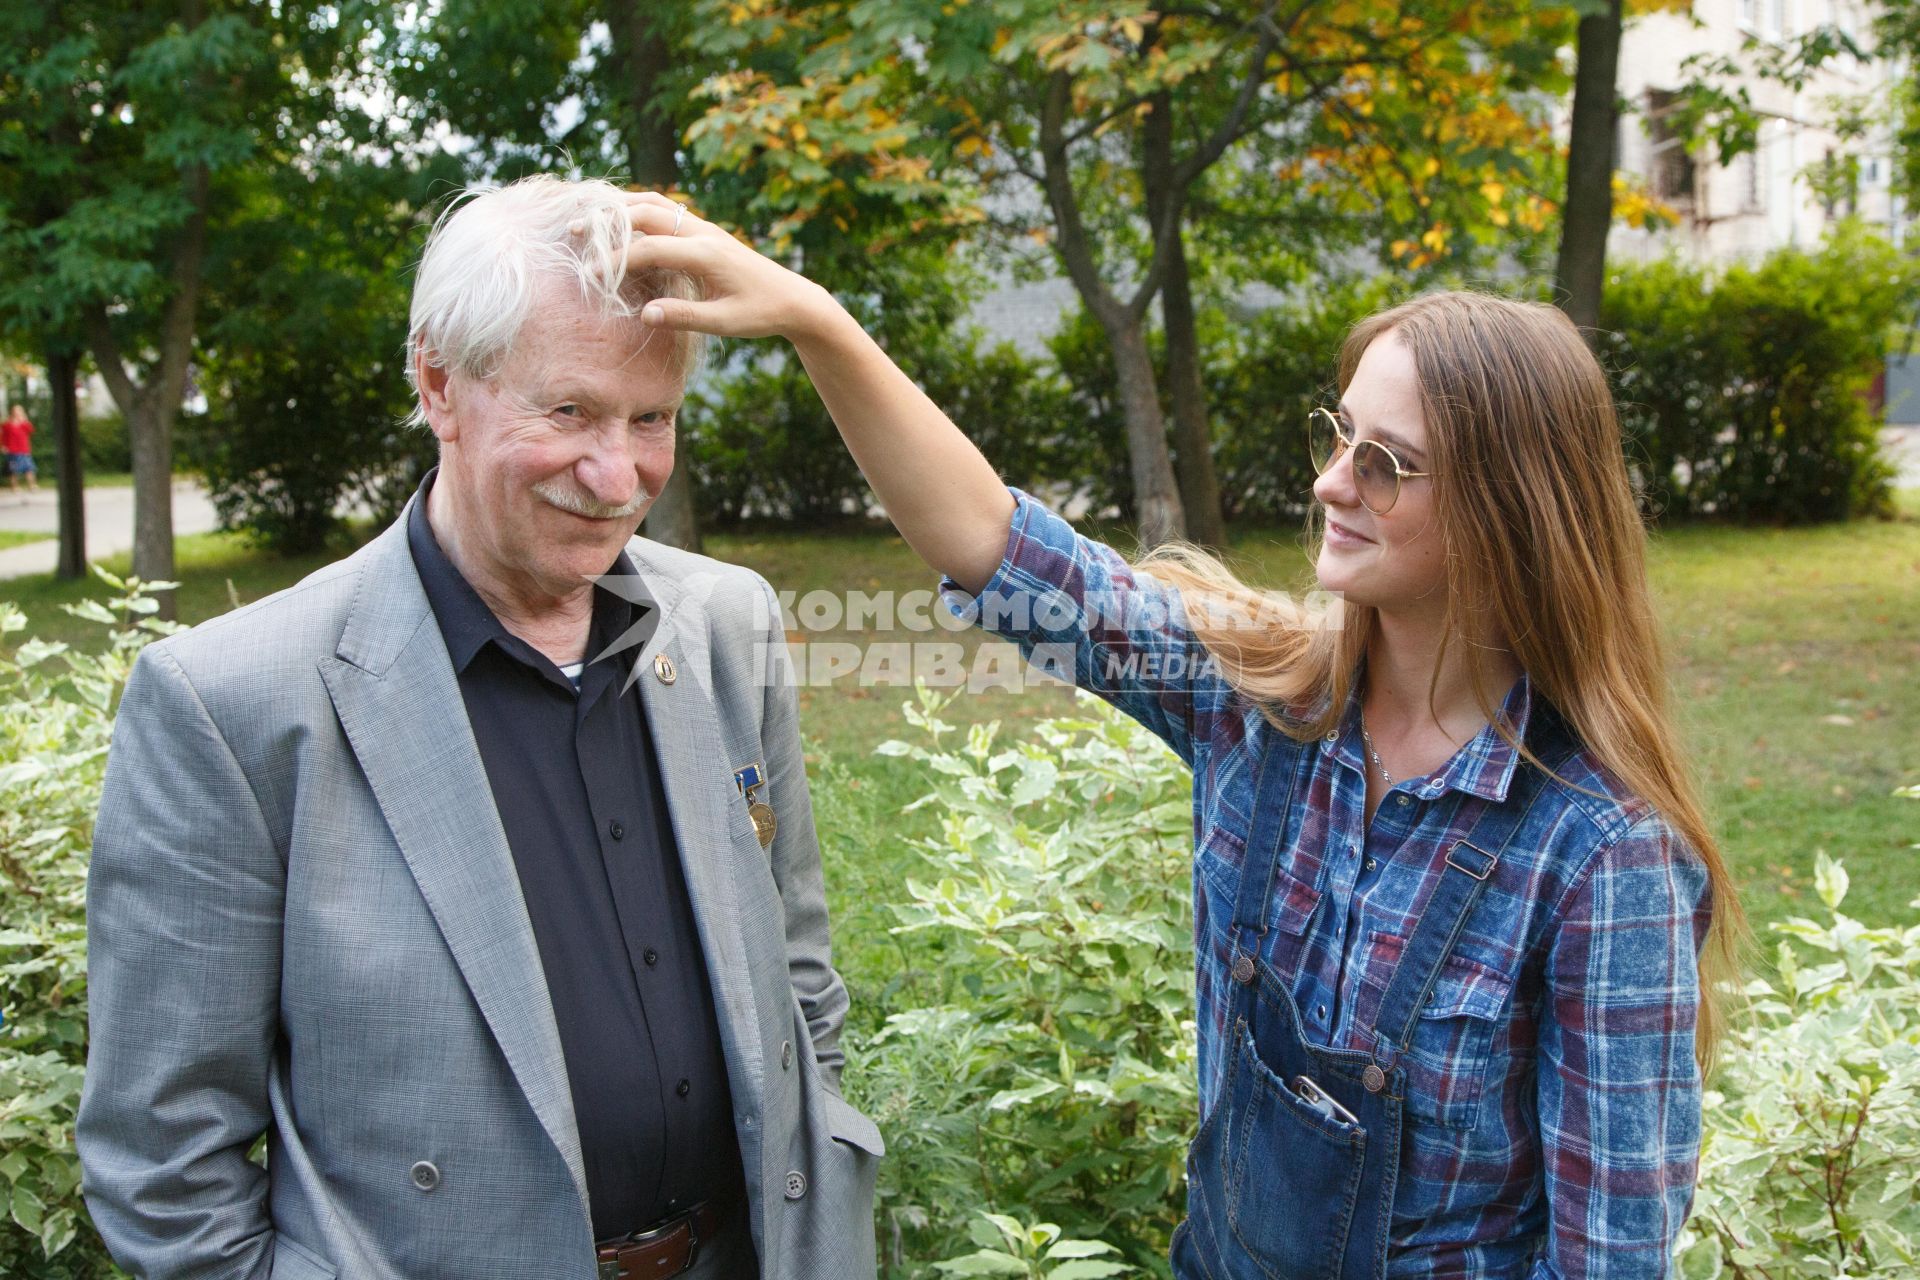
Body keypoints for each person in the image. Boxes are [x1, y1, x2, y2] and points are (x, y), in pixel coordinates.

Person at [620, 191, 1745, 1279]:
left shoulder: (1600, 854)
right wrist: (819, 322)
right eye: (1341, 433)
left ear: (1511, 506)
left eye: (1385, 463)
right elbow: (1001, 553)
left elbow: (1611, 1254)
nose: (1330, 481)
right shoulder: (1265, 704)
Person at [76, 176, 883, 1280]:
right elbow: (164, 1169)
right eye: (569, 412)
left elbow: (798, 978)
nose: (618, 475)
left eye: (652, 418)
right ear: (438, 384)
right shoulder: (233, 704)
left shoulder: (728, 622)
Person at [2, 403, 37, 498]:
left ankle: (32, 486)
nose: (17, 413)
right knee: (13, 470)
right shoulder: (7, 424)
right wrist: (3, 446)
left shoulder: (24, 423)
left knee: (29, 468)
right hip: (12, 450)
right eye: (16, 411)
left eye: (19, 411)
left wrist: (25, 421)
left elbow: (31, 431)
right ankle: (14, 487)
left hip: (24, 449)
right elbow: (3, 436)